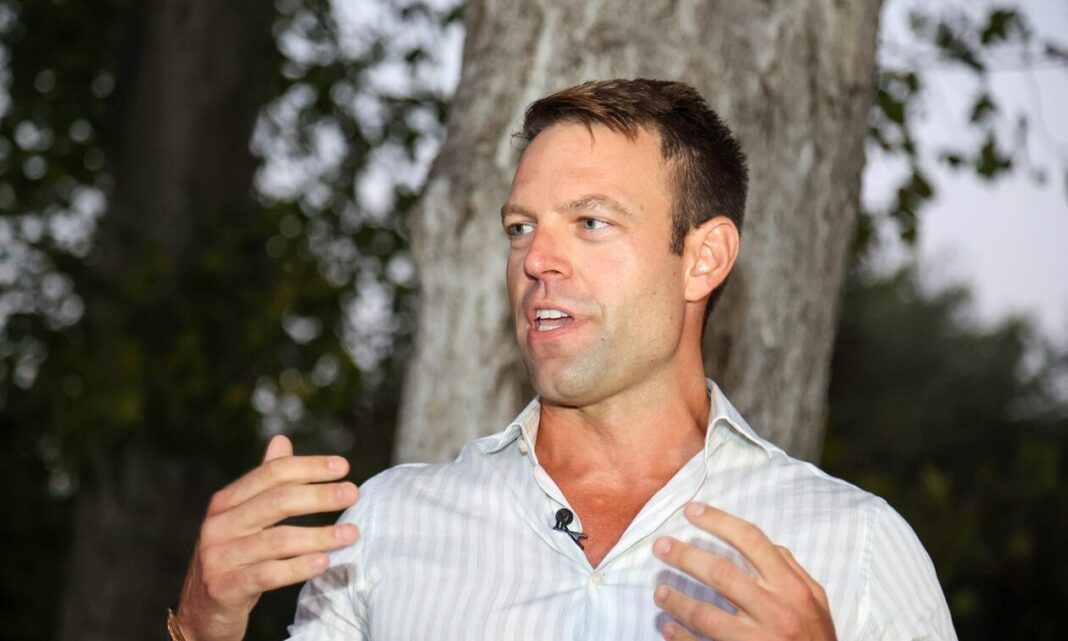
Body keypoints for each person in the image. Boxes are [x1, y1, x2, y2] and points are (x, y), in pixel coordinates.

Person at [172, 79, 956, 641]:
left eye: (590, 223)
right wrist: (203, 627)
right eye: (520, 227)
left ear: (703, 258)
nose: (537, 258)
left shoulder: (852, 545)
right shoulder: (383, 528)